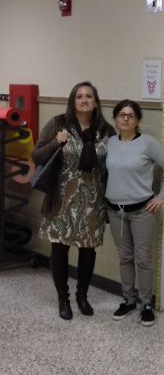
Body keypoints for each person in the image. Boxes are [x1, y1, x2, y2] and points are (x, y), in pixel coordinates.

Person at [31, 81, 115, 320]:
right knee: (59, 248)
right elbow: (36, 155)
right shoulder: (59, 123)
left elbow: (113, 164)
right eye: (79, 96)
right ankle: (63, 298)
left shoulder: (106, 130)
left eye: (89, 96)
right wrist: (56, 141)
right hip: (62, 199)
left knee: (88, 250)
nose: (84, 100)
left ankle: (82, 296)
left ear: (96, 102)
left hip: (93, 202)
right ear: (73, 101)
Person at [106, 99, 164, 327]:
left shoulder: (147, 143)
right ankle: (128, 299)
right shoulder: (110, 143)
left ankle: (146, 304)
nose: (126, 119)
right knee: (125, 257)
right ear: (115, 119)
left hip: (142, 212)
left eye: (130, 115)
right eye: (122, 115)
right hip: (116, 212)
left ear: (137, 120)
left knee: (144, 260)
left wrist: (162, 196)